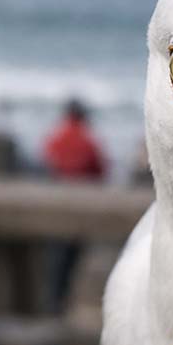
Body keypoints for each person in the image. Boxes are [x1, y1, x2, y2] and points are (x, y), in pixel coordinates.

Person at [42, 98, 106, 311]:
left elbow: (45, 169)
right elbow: (100, 172)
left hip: (53, 210)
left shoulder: (54, 139)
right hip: (78, 212)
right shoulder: (88, 142)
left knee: (53, 264)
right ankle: (59, 305)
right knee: (69, 264)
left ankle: (52, 305)